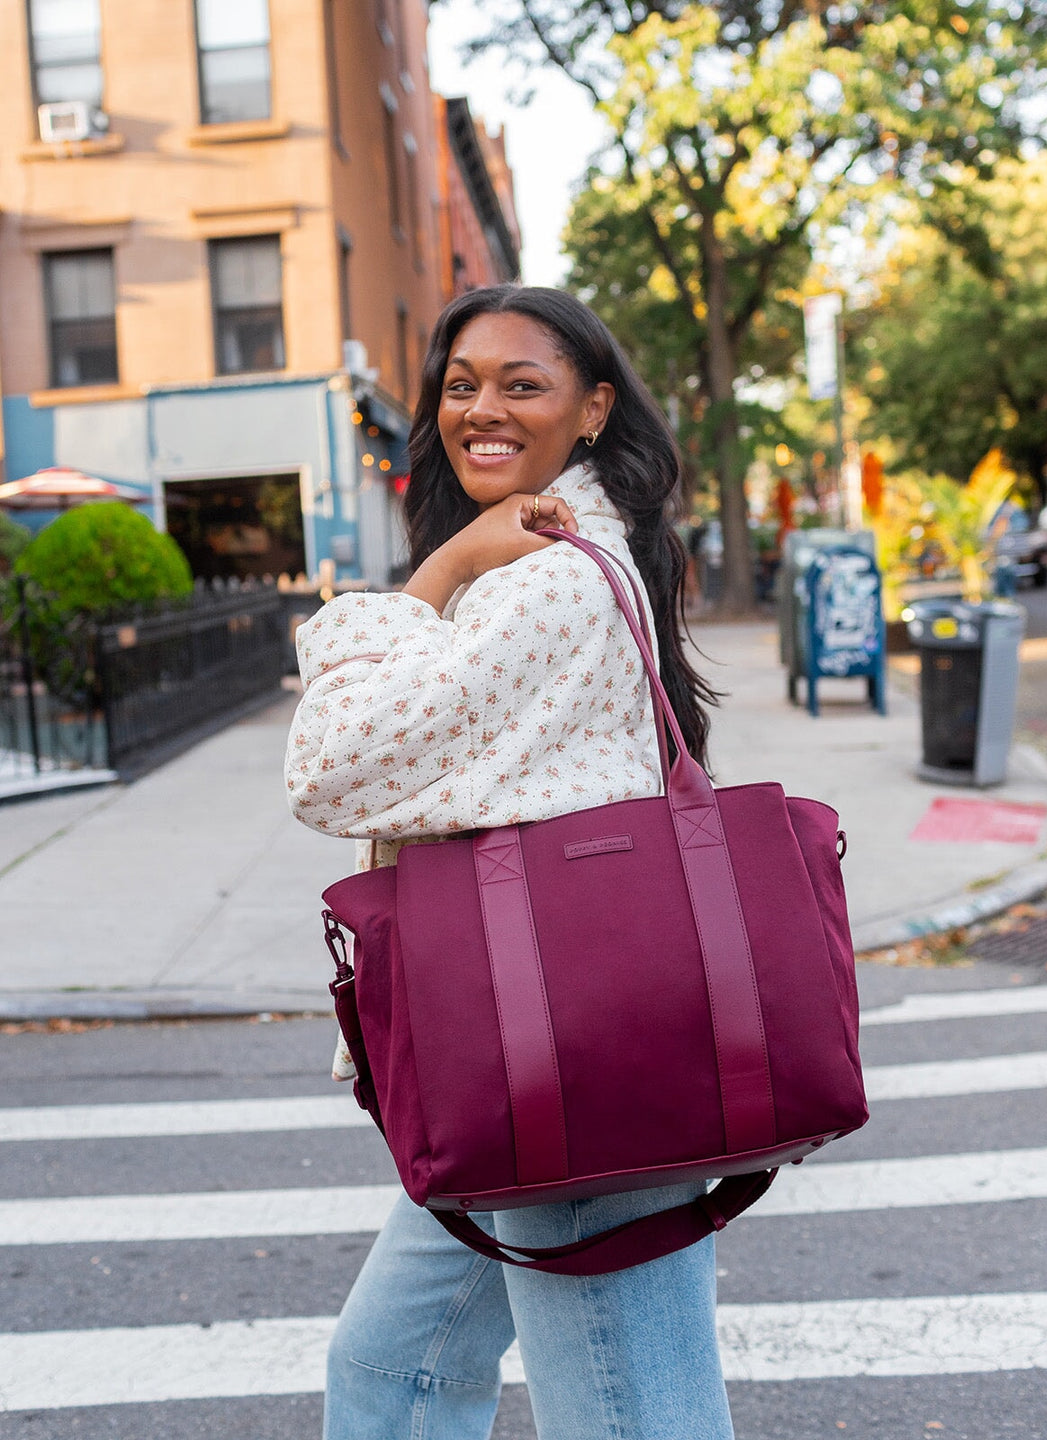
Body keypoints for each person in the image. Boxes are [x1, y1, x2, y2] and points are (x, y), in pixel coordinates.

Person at [285, 285, 729, 1440]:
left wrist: (430, 579)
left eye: (522, 384)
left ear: (592, 410)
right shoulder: (554, 553)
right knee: (391, 1370)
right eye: (461, 383)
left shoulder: (548, 577)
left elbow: (330, 767)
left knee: (632, 1418)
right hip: (521, 1057)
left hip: (564, 1057)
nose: (482, 407)